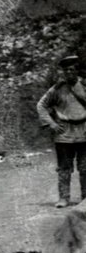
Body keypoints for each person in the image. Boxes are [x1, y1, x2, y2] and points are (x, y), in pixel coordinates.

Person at [35, 55, 86, 208]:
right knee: (64, 167)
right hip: (64, 132)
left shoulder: (84, 85)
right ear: (63, 72)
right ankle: (64, 198)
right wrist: (51, 123)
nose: (69, 72)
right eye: (66, 70)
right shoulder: (57, 89)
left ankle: (85, 198)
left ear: (77, 70)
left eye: (72, 69)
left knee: (85, 168)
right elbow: (41, 105)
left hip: (84, 131)